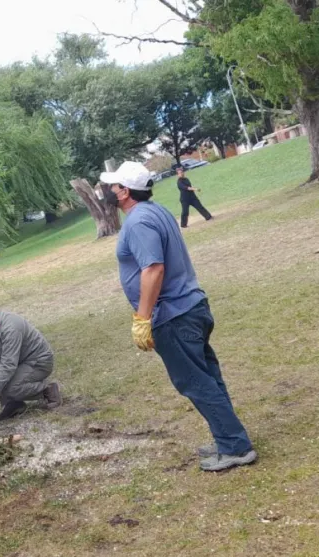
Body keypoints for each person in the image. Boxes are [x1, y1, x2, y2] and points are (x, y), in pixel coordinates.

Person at [101, 161, 256, 472]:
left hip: (174, 317)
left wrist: (143, 318)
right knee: (207, 379)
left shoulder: (140, 221)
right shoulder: (155, 211)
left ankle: (236, 448)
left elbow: (153, 268)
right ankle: (228, 438)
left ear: (124, 192)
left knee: (197, 383)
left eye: (112, 185)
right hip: (191, 308)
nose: (107, 189)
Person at [0, 305, 61, 422]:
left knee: (11, 389)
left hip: (38, 361)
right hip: (17, 361)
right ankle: (12, 404)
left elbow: (8, 365)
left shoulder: (11, 328)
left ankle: (47, 390)